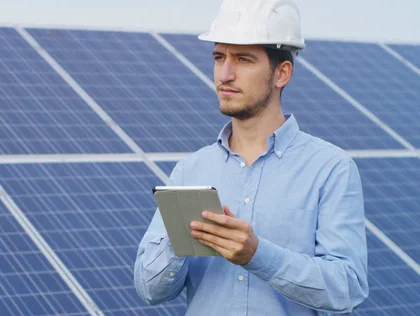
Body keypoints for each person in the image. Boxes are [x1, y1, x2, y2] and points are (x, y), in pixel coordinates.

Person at [133, 0, 369, 315]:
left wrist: (257, 254)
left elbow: (348, 288)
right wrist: (180, 242)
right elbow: (149, 291)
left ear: (281, 73)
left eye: (243, 59)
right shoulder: (191, 170)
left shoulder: (330, 169)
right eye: (219, 57)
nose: (225, 74)